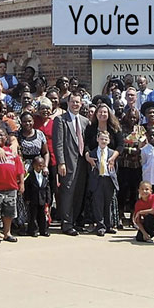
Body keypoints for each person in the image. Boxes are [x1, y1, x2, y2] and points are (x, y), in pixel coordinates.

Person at [53, 93, 90, 236]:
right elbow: (58, 143)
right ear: (68, 103)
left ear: (81, 104)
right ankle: (66, 224)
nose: (75, 104)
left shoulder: (85, 121)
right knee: (67, 191)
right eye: (73, 102)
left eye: (78, 102)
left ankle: (74, 221)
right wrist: (61, 162)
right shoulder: (61, 120)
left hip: (82, 163)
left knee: (79, 192)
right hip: (67, 162)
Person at [88, 130, 119, 236]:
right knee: (98, 204)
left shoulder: (112, 153)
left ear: (109, 141)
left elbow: (116, 167)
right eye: (101, 138)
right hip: (98, 179)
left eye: (106, 139)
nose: (103, 141)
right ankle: (100, 226)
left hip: (108, 179)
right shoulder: (92, 153)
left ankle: (108, 225)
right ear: (97, 139)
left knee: (108, 203)